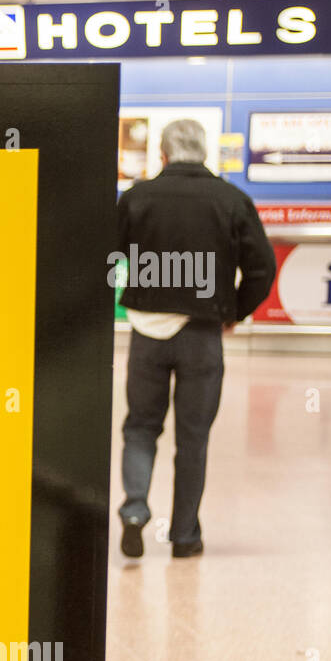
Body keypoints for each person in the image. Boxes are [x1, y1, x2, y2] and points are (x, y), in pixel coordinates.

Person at [115, 118, 276, 559]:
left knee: (141, 426)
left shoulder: (137, 197)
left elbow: (108, 254)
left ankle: (134, 510)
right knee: (193, 438)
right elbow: (262, 267)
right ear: (204, 153)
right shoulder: (231, 200)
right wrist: (235, 311)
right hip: (203, 335)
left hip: (147, 333)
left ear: (163, 154)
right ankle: (184, 536)